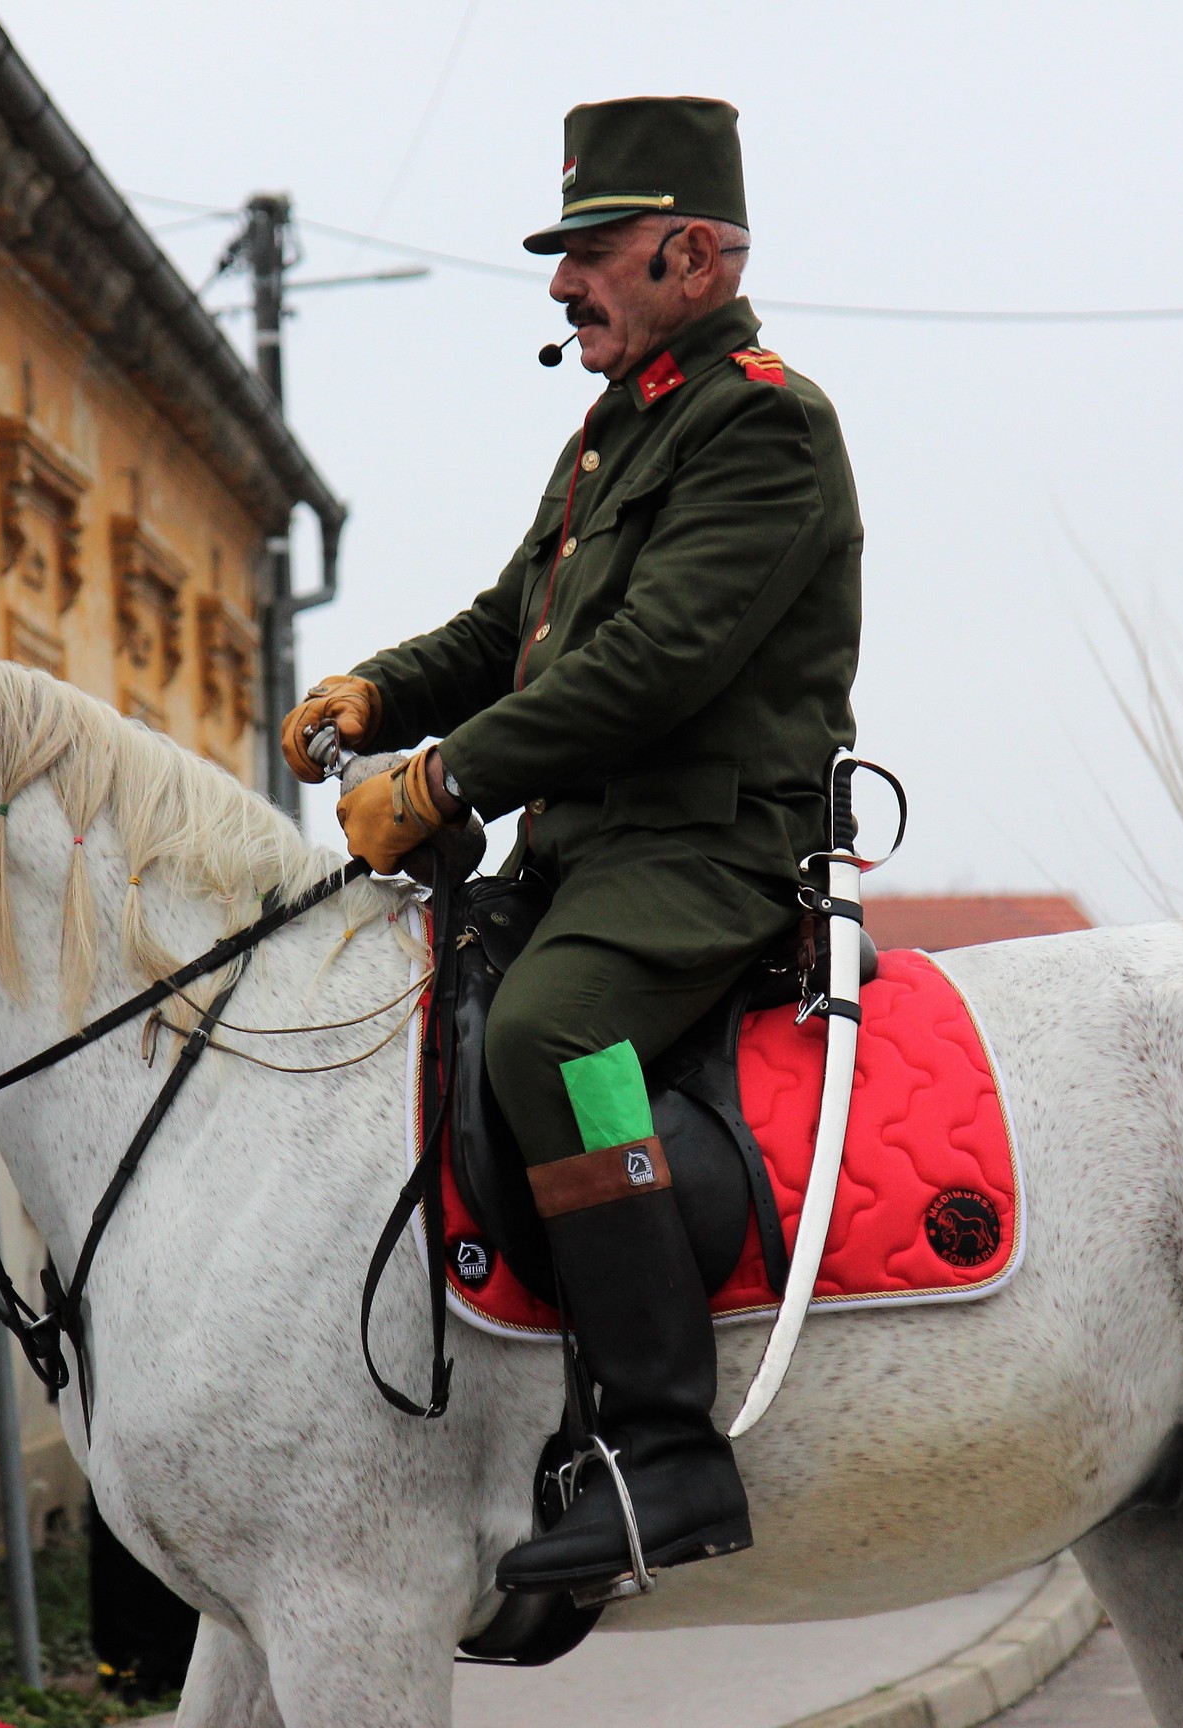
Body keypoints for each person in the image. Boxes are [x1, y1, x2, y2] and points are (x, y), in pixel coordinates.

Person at [279, 97, 861, 1593]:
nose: (559, 285)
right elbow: (511, 631)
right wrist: (381, 692)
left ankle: (668, 1452)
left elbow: (656, 663)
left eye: (588, 252)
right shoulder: (618, 430)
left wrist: (444, 780)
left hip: (707, 856)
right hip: (590, 850)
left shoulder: (766, 423)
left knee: (550, 1034)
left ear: (687, 251)